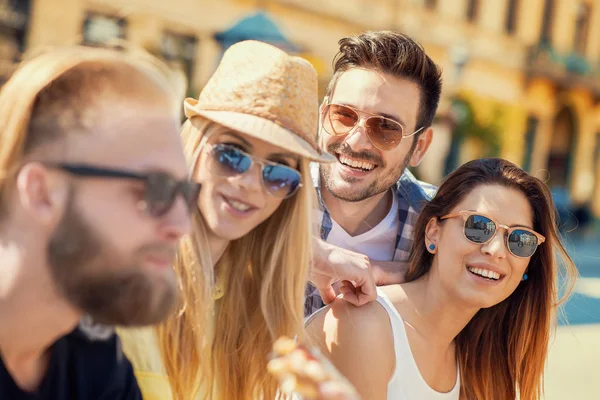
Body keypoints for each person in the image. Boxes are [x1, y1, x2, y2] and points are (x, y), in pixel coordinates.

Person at [118, 40, 354, 400]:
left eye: (278, 174)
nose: (248, 183)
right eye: (231, 154)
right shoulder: (120, 277)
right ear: (195, 147)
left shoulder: (255, 312)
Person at [0, 45, 198, 399]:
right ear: (42, 193)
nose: (181, 225)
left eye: (185, 193)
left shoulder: (98, 361)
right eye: (156, 188)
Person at [307, 158, 577, 400]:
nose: (495, 251)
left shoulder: (472, 359)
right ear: (433, 233)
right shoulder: (364, 325)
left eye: (519, 239)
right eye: (478, 226)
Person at [306, 31, 443, 316]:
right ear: (321, 116)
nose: (355, 142)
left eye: (386, 129)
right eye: (343, 115)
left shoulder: (438, 223)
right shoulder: (270, 189)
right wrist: (305, 254)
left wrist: (427, 276)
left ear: (420, 147)